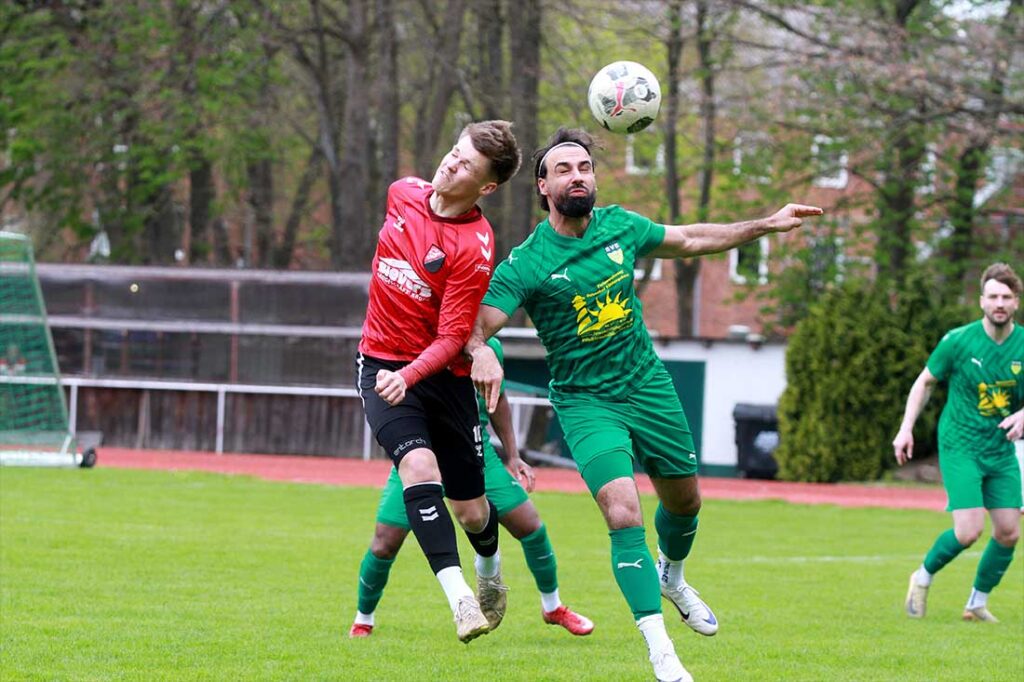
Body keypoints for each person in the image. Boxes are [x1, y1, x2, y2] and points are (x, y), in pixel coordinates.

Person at [466, 127, 823, 682]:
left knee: (685, 503)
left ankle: (672, 575)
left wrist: (765, 225)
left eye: (584, 166)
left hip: (647, 385)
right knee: (623, 511)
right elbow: (479, 325)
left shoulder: (621, 227)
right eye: (563, 169)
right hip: (587, 402)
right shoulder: (528, 262)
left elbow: (693, 239)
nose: (577, 175)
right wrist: (478, 350)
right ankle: (662, 652)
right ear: (542, 185)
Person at [356, 120, 522, 643]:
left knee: (473, 513)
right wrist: (396, 374)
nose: (451, 163)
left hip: (440, 379)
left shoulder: (474, 245)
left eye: (466, 163)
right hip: (380, 366)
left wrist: (412, 375)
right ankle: (461, 603)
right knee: (417, 466)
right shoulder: (401, 193)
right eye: (454, 151)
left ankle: (490, 573)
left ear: (487, 187)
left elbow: (453, 337)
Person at [349, 336, 594, 639]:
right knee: (385, 542)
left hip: (474, 449)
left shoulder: (490, 348)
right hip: (420, 454)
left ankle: (552, 607)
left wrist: (514, 456)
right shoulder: (412, 336)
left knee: (529, 525)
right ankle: (364, 619)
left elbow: (497, 401)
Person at [894, 262, 1023, 623]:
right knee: (969, 531)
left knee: (1009, 532)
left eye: (1007, 297)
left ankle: (976, 603)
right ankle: (921, 577)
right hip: (961, 444)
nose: (1000, 303)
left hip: (1000, 448)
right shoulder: (958, 341)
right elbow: (924, 383)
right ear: (981, 300)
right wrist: (906, 429)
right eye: (993, 296)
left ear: (1016, 302)